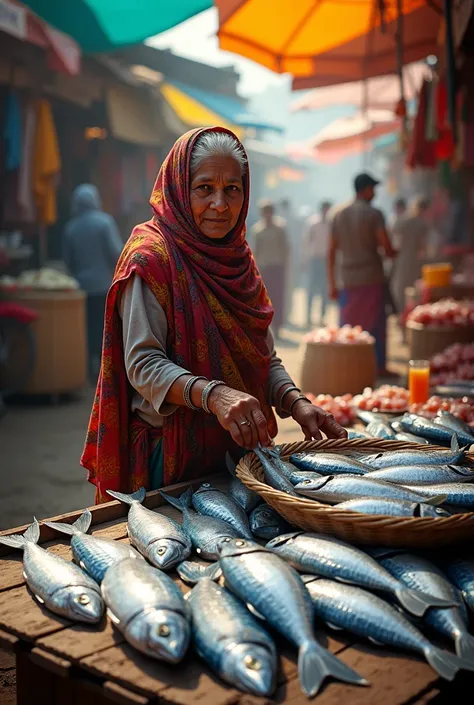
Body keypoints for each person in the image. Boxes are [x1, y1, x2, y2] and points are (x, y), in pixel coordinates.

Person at [81, 128, 346, 503]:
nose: (220, 204)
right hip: (170, 463)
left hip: (240, 456)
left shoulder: (239, 259)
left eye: (232, 189)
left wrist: (295, 401)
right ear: (178, 188)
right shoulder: (152, 258)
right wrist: (215, 395)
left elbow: (261, 357)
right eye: (204, 188)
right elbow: (142, 364)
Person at [328, 172, 396, 376]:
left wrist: (331, 283)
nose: (374, 192)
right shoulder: (374, 214)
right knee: (375, 325)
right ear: (365, 189)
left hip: (347, 279)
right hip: (371, 277)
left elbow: (331, 252)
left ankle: (346, 367)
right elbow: (386, 246)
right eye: (372, 188)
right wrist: (395, 252)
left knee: (349, 326)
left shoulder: (338, 214)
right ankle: (378, 367)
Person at [63, 184, 123, 381]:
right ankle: (104, 371)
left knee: (85, 329)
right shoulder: (105, 223)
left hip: (81, 288)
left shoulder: (71, 227)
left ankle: (87, 370)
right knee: (105, 328)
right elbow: (116, 252)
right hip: (104, 286)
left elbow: (68, 261)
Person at [251, 200, 290, 338]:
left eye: (269, 211)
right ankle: (264, 326)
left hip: (277, 267)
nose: (267, 214)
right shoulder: (258, 230)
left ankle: (277, 326)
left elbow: (286, 249)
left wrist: (286, 267)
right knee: (263, 298)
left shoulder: (280, 228)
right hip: (263, 268)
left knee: (278, 297)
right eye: (265, 212)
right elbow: (254, 251)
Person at [390, 196, 430, 314]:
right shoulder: (421, 223)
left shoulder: (402, 220)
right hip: (414, 260)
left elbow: (394, 237)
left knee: (402, 289)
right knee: (413, 289)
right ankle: (411, 313)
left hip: (403, 259)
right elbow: (424, 246)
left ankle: (403, 314)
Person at [302, 201, 332, 326]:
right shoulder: (312, 223)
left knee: (325, 290)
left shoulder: (332, 224)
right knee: (311, 289)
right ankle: (308, 317)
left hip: (327, 260)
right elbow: (305, 242)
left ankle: (322, 317)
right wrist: (303, 259)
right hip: (314, 259)